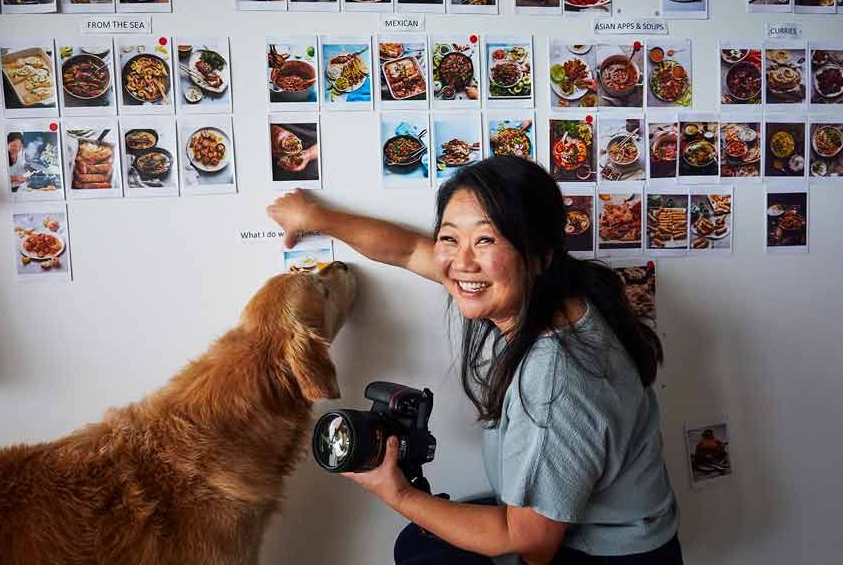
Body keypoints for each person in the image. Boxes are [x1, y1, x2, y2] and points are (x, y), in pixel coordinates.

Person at [267, 156, 682, 565]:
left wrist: (397, 492)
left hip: (607, 552)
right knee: (418, 546)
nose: (462, 263)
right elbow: (408, 250)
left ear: (539, 252)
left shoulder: (555, 383)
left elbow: (532, 545)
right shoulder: (555, 291)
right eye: (450, 238)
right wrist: (314, 217)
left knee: (425, 558)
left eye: (485, 240)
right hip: (571, 526)